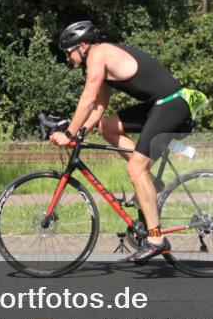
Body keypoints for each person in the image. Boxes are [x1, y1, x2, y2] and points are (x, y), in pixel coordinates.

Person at [49, 20, 192, 263]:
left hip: (170, 105)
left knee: (135, 169)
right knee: (108, 126)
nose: (67, 58)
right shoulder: (102, 59)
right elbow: (99, 107)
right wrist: (82, 132)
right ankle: (149, 180)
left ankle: (156, 239)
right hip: (159, 105)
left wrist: (69, 134)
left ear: (82, 46)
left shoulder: (99, 54)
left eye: (68, 52)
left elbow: (88, 97)